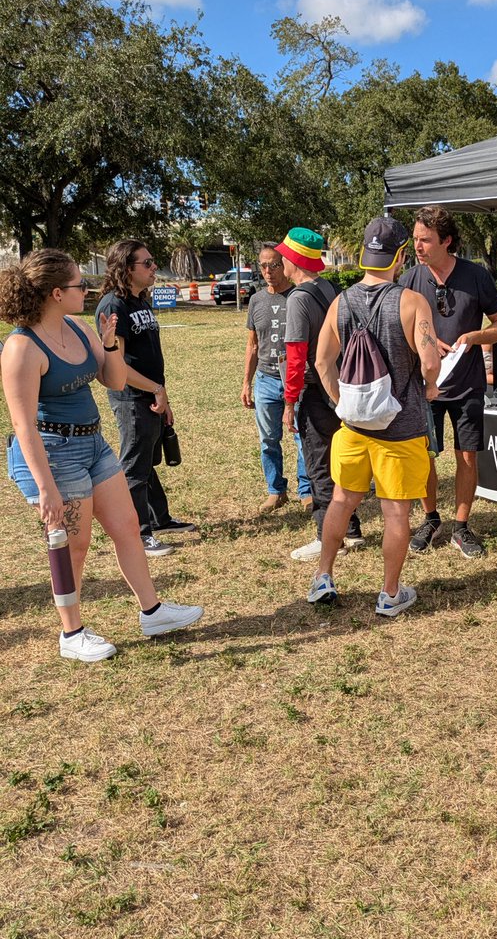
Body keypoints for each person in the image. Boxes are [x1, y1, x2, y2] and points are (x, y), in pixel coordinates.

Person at [1, 249, 203, 662]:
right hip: (53, 454)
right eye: (79, 284)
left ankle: (153, 612)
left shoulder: (77, 327)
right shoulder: (21, 348)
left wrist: (109, 345)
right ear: (56, 293)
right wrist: (46, 488)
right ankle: (71, 633)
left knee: (127, 526)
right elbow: (23, 426)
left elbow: (113, 380)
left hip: (93, 444)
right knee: (73, 545)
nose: (88, 290)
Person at [310, 217, 440, 615]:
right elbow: (430, 361)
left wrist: (343, 402)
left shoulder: (340, 301)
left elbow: (322, 362)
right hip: (401, 429)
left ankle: (323, 576)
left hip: (353, 428)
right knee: (395, 511)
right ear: (400, 256)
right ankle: (389, 593)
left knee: (341, 500)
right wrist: (430, 387)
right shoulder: (412, 302)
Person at [400, 206, 497, 558]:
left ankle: (461, 526)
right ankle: (430, 518)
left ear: (446, 240)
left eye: (425, 240)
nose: (418, 246)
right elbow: (398, 329)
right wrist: (426, 342)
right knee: (425, 456)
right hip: (424, 387)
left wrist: (475, 337)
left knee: (467, 457)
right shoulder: (409, 280)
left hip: (467, 385)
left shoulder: (476, 276)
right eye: (415, 239)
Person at [95, 240, 196, 556]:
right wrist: (155, 389)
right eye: (147, 263)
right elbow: (118, 366)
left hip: (151, 395)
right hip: (131, 399)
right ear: (127, 268)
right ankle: (139, 533)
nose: (154, 268)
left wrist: (163, 395)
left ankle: (158, 519)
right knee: (134, 468)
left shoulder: (140, 301)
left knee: (146, 462)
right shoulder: (114, 306)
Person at [277, 227, 365, 561]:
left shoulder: (298, 299)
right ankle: (351, 529)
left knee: (319, 466)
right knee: (341, 463)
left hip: (317, 391)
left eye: (284, 257)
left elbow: (296, 356)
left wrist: (289, 402)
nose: (281, 263)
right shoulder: (329, 288)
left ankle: (326, 536)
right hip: (343, 386)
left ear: (295, 261)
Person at [241, 242, 312, 513]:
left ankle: (306, 491)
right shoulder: (256, 300)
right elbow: (252, 345)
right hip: (266, 379)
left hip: (296, 379)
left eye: (274, 265)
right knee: (268, 440)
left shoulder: (298, 296)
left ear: (286, 265)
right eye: (263, 266)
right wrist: (246, 383)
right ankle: (276, 490)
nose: (268, 271)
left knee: (301, 438)